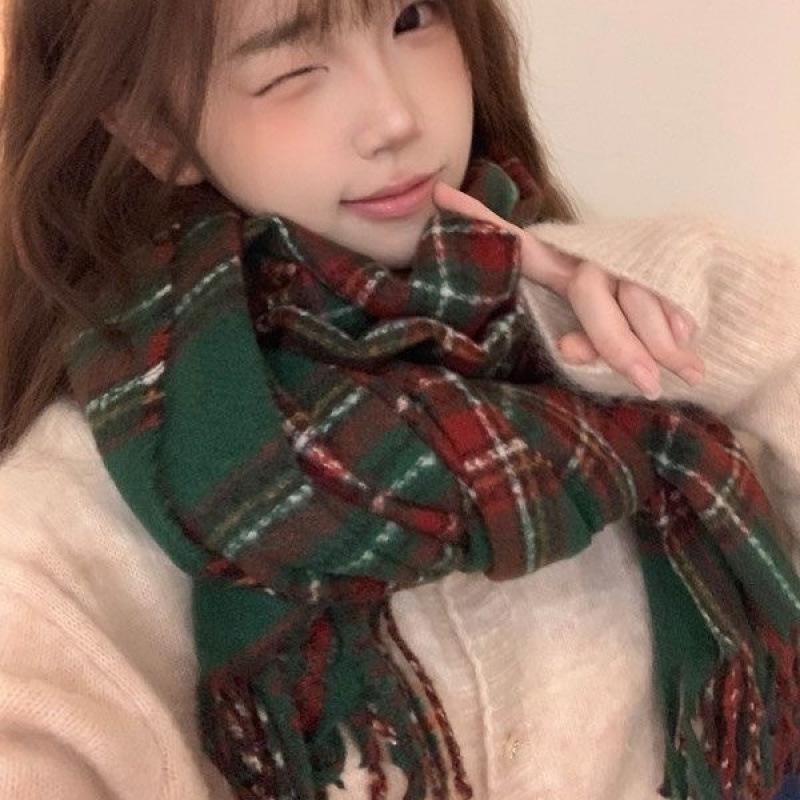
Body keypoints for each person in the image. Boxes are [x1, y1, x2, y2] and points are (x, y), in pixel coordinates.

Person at [0, 2, 798, 800]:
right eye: (291, 69)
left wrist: (631, 293)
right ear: (156, 132)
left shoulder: (597, 334)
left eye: (412, 19)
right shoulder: (87, 513)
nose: (397, 118)